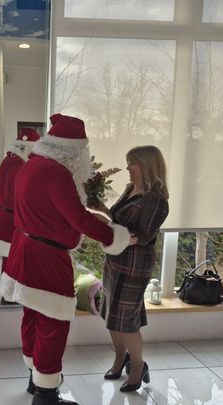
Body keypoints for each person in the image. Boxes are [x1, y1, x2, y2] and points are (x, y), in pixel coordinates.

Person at [1, 113, 135, 405]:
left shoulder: (31, 164)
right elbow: (78, 218)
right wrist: (116, 236)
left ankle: (35, 379)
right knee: (54, 325)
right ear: (72, 150)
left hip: (24, 249)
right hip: (46, 257)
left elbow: (52, 210)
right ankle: (46, 395)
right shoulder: (57, 173)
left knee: (32, 316)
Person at [91, 145, 169, 393]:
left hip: (134, 265)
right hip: (115, 260)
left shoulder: (156, 200)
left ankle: (137, 367)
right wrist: (101, 210)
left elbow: (143, 236)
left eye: (132, 163)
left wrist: (108, 228)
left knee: (126, 320)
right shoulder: (130, 189)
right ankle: (119, 358)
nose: (127, 168)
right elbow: (118, 220)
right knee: (111, 314)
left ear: (146, 165)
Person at [0, 127, 40, 305]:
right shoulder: (17, 163)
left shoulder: (11, 159)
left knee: (10, 259)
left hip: (7, 217)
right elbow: (11, 198)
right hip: (10, 220)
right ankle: (8, 298)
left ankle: (9, 294)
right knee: (11, 261)